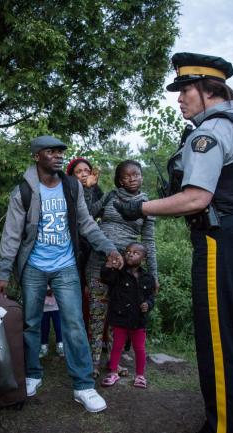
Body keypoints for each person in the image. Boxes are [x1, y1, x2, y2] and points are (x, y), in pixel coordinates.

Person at [113, 52, 233, 433]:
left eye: (185, 89)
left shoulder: (209, 132)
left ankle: (224, 425)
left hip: (225, 240)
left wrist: (141, 207)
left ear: (208, 89)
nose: (179, 98)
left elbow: (195, 198)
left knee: (217, 339)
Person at [0, 135, 124, 413]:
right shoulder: (23, 192)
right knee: (30, 322)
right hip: (34, 267)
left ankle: (83, 385)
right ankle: (32, 374)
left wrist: (108, 248)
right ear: (37, 156)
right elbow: (12, 235)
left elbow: (87, 224)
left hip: (65, 265)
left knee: (74, 323)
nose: (58, 156)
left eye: (60, 152)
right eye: (51, 152)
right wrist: (4, 271)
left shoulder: (71, 186)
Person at [85, 159, 158, 378]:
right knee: (97, 314)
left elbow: (149, 243)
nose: (133, 178)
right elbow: (88, 215)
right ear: (119, 180)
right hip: (99, 263)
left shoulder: (146, 205)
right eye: (127, 176)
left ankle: (113, 362)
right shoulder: (110, 196)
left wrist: (153, 274)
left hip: (125, 271)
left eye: (136, 174)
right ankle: (93, 362)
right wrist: (88, 189)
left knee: (118, 317)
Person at [99, 242, 155, 389]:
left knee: (139, 348)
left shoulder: (148, 278)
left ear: (143, 258)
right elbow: (105, 278)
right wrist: (108, 266)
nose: (130, 254)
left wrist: (148, 305)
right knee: (116, 346)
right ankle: (113, 372)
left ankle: (140, 376)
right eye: (128, 251)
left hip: (138, 321)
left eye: (136, 252)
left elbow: (151, 297)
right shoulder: (118, 273)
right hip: (119, 318)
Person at [66, 156, 104, 339]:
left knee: (92, 289)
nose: (83, 174)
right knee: (75, 289)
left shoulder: (97, 191)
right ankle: (73, 333)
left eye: (86, 171)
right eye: (78, 172)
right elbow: (84, 216)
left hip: (91, 248)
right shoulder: (67, 191)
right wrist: (86, 189)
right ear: (71, 175)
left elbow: (97, 213)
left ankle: (92, 332)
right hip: (72, 248)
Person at [39, 287, 64, 358]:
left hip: (56, 305)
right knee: (44, 327)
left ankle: (60, 345)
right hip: (43, 306)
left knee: (58, 326)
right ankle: (44, 346)